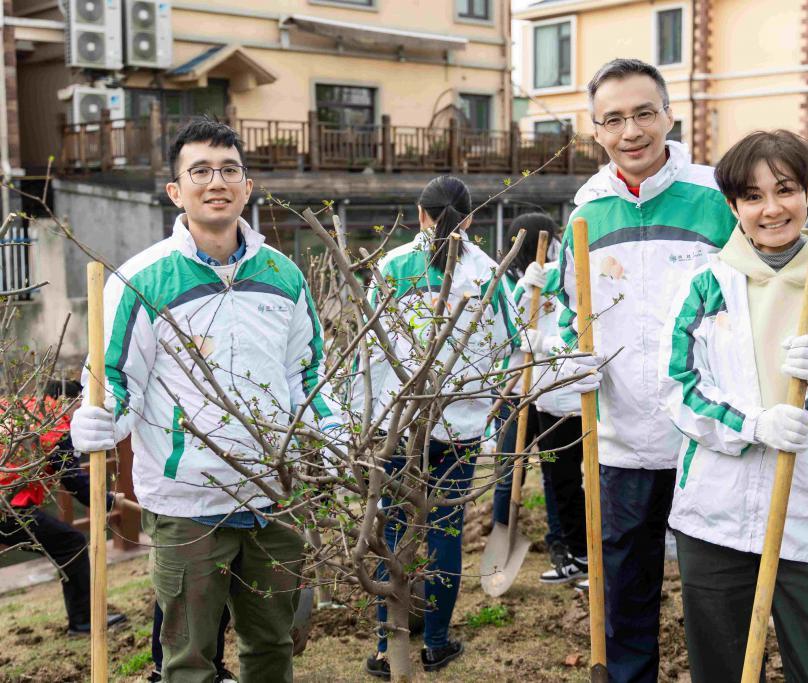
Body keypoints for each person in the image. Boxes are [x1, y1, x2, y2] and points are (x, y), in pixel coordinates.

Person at [69, 117, 341, 682]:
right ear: (176, 190)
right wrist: (100, 417)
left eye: (229, 170)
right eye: (200, 171)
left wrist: (334, 430)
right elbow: (117, 373)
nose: (216, 182)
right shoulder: (143, 279)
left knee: (273, 646)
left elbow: (306, 372)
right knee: (190, 659)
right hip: (188, 503)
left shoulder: (283, 276)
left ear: (246, 186)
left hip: (274, 493)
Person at [658, 130, 808, 683]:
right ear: (733, 206)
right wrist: (751, 425)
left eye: (784, 189)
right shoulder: (704, 287)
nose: (771, 209)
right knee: (721, 671)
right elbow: (678, 389)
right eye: (752, 196)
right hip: (714, 516)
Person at [555, 58, 735, 681]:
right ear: (596, 131)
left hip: (710, 436)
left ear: (668, 115)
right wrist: (567, 360)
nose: (630, 131)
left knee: (715, 588)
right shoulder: (585, 212)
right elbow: (565, 308)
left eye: (643, 114)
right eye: (613, 119)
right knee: (625, 584)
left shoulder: (718, 197)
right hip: (623, 437)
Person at [354, 176, 518, 677]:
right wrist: (487, 400)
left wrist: (363, 422)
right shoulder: (489, 271)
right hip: (461, 425)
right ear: (469, 218)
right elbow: (512, 345)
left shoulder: (392, 265)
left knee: (395, 530)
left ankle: (387, 647)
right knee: (446, 532)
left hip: (401, 423)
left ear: (420, 215)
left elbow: (370, 351)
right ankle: (437, 644)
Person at [0, 380, 126, 636]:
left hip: (8, 502)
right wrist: (110, 500)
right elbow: (76, 485)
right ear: (64, 401)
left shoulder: (18, 409)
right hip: (8, 507)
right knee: (71, 543)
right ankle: (82, 622)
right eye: (78, 404)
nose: (79, 412)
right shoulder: (54, 427)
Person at [504, 212, 590, 584]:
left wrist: (549, 345)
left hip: (583, 396)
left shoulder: (580, 277)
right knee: (560, 483)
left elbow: (589, 328)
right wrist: (523, 290)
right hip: (546, 399)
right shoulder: (541, 279)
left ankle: (600, 557)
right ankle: (578, 555)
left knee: (599, 482)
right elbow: (512, 325)